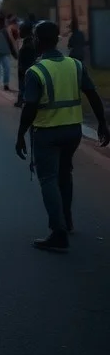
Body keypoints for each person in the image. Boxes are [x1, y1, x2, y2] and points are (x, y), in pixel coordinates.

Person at [14, 20, 109, 251]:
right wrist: (103, 125)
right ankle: (67, 220)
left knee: (48, 179)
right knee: (65, 174)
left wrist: (20, 135)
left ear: (37, 41)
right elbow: (93, 96)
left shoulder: (35, 71)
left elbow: (30, 107)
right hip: (73, 131)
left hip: (47, 133)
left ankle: (58, 232)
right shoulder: (75, 65)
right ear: (58, 39)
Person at [15, 21, 37, 108]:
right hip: (27, 67)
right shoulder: (30, 41)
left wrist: (22, 67)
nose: (19, 32)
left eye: (20, 30)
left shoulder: (29, 43)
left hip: (26, 68)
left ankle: (22, 100)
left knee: (24, 85)